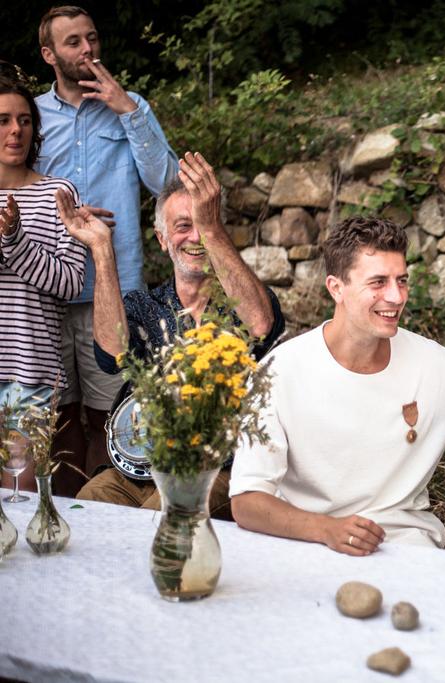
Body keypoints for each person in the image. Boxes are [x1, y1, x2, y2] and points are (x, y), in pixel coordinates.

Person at [57, 151, 284, 517]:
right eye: (182, 226)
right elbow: (112, 354)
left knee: (161, 514)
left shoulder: (241, 301)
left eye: (203, 224)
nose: (195, 237)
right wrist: (101, 251)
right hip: (137, 468)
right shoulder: (146, 306)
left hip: (218, 468)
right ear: (162, 240)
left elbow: (260, 324)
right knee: (86, 510)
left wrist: (212, 229)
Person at [230, 216, 445, 554]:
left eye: (402, 280)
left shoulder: (440, 368)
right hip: (306, 547)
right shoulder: (281, 372)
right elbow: (247, 501)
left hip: (408, 550)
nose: (396, 296)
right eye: (379, 282)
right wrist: (326, 530)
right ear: (336, 287)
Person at [35, 5, 178, 495]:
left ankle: (102, 514)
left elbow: (166, 181)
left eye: (92, 38)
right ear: (49, 54)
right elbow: (15, 187)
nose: (88, 49)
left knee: (109, 415)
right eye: (73, 42)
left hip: (113, 290)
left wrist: (127, 110)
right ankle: (66, 513)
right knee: (57, 416)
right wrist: (63, 217)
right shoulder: (29, 116)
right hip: (46, 290)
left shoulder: (131, 106)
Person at [0, 68, 86, 494]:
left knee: (17, 495)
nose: (16, 130)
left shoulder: (59, 194)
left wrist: (14, 241)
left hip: (30, 370)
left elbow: (70, 283)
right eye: (3, 120)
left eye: (25, 120)